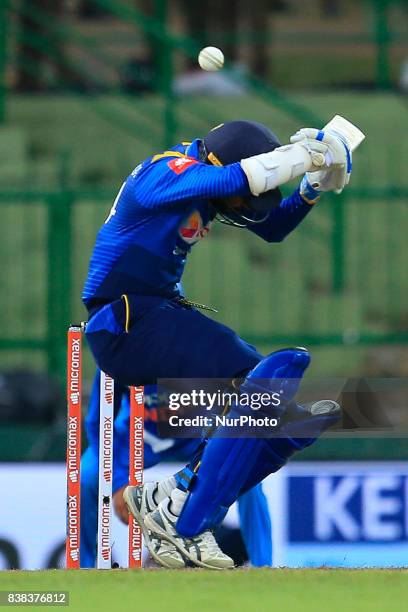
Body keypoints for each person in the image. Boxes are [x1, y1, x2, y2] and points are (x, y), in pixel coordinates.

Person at [82, 120, 350, 568]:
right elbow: (234, 180)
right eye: (242, 196)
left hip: (157, 313)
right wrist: (305, 156)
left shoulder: (212, 184)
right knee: (259, 384)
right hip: (126, 320)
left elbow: (270, 227)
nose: (241, 206)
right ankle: (182, 513)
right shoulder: (162, 171)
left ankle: (176, 495)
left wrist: (311, 188)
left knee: (270, 409)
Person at [80, 370, 273, 568]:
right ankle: (83, 566)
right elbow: (97, 422)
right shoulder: (119, 347)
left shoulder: (207, 346)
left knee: (248, 476)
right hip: (138, 435)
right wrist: (119, 482)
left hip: (195, 435)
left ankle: (263, 564)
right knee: (86, 478)